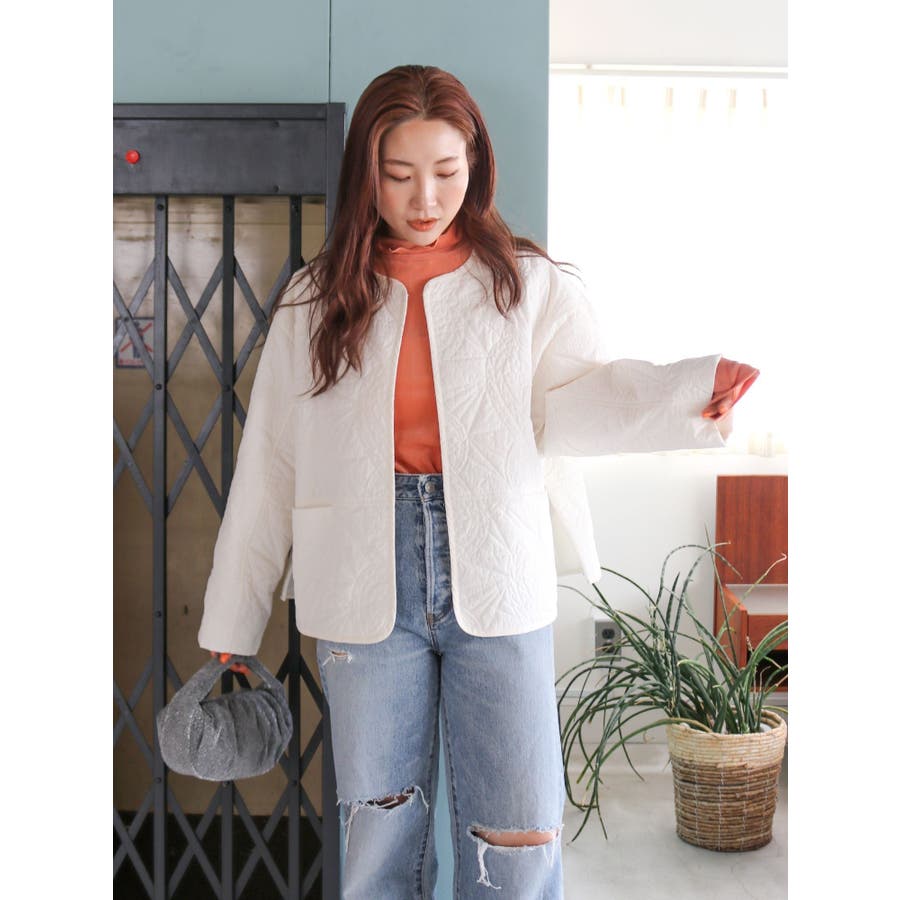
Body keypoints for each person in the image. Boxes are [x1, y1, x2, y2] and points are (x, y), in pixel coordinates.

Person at [198, 64, 759, 899]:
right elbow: (272, 458)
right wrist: (232, 617)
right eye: (399, 175)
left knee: (520, 829)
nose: (425, 198)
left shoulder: (528, 284)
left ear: (476, 165)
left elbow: (583, 401)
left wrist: (691, 393)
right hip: (360, 574)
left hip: (497, 566)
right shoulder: (315, 300)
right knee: (379, 831)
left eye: (446, 171)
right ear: (366, 176)